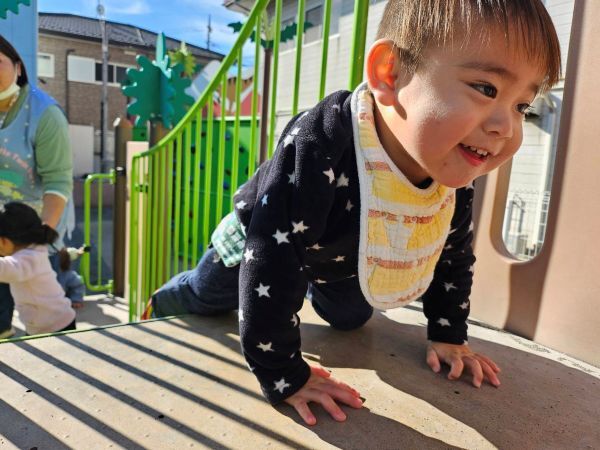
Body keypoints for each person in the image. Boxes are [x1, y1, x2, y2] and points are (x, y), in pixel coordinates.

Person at [147, 0, 561, 425]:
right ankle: (162, 300)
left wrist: (448, 334)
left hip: (341, 254)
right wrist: (284, 373)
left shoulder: (452, 166)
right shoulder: (320, 139)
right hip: (262, 238)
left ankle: (309, 286)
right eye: (487, 88)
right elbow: (272, 255)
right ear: (389, 73)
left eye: (522, 106)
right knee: (205, 294)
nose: (505, 127)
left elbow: (451, 252)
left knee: (351, 319)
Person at [0, 36, 73, 338]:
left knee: (42, 304)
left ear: (18, 67)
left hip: (36, 226)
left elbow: (57, 181)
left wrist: (40, 240)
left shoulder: (44, 114)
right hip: (3, 224)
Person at [0, 202, 76, 335]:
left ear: (4, 241)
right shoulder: (33, 250)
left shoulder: (30, 257)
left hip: (56, 324)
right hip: (42, 322)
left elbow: (8, 269)